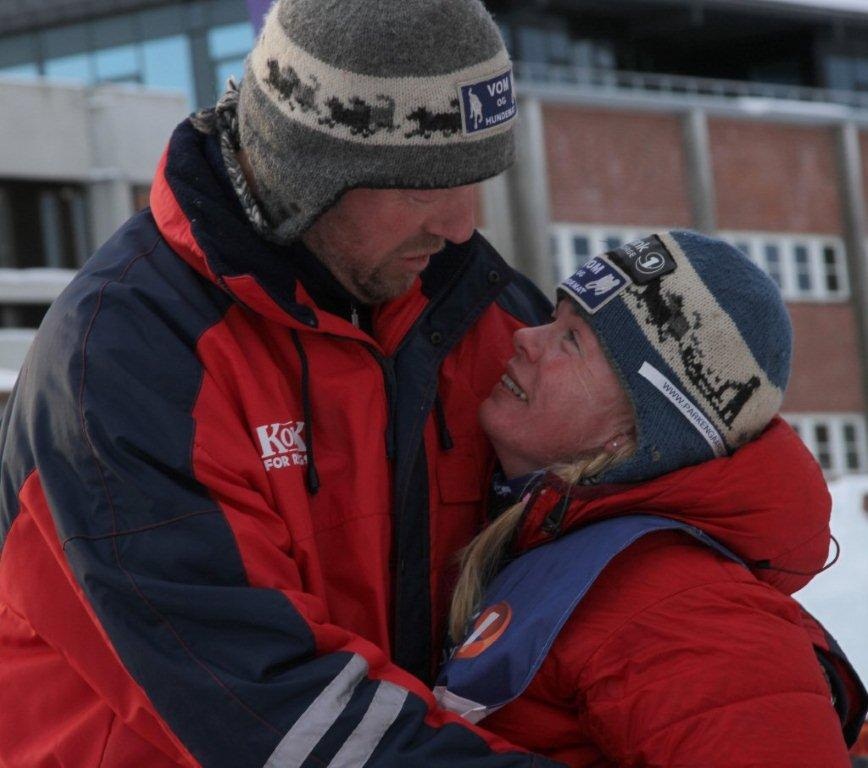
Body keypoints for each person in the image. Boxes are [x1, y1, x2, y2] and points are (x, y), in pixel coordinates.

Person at [0, 2, 560, 767]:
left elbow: (656, 533)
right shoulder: (123, 363)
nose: (462, 225)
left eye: (477, 180)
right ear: (308, 173)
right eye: (423, 187)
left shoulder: (487, 317)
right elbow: (264, 711)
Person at [437, 230, 868, 767]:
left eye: (572, 340)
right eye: (556, 316)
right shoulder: (565, 545)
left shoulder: (684, 612)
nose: (526, 335)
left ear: (637, 432)